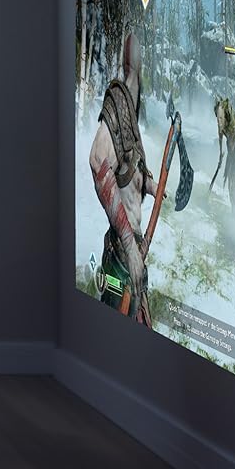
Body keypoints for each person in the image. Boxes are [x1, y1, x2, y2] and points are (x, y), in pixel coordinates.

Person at [89, 32, 156, 325]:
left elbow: (131, 165)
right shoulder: (118, 100)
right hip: (121, 250)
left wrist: (151, 185)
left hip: (134, 248)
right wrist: (129, 246)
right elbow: (98, 161)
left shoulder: (132, 106)